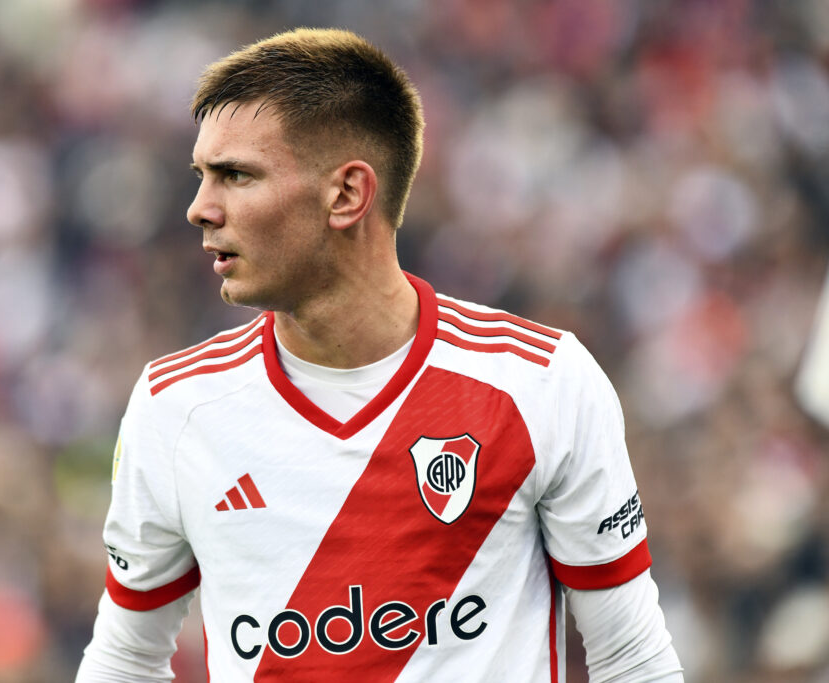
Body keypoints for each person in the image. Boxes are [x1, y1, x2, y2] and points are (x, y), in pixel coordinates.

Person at [76, 27, 683, 682]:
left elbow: (631, 657)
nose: (200, 209)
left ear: (347, 194)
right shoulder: (176, 407)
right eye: (202, 176)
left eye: (236, 176)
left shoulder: (539, 382)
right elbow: (125, 657)